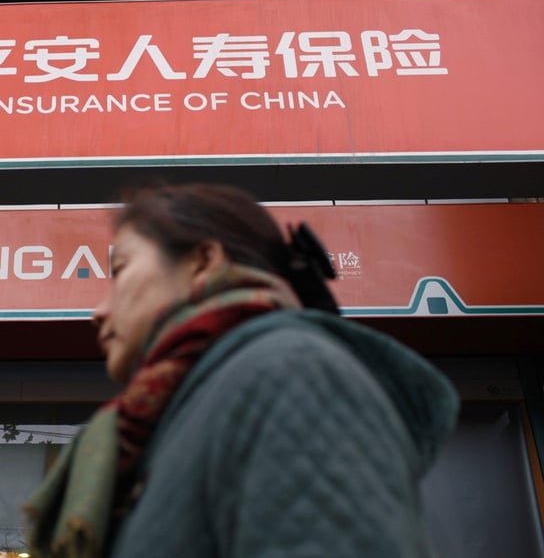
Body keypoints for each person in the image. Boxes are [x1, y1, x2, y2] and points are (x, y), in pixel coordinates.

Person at [24, 183, 458, 558]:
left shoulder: (291, 373)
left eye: (119, 270)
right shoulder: (171, 419)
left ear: (202, 260)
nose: (97, 311)